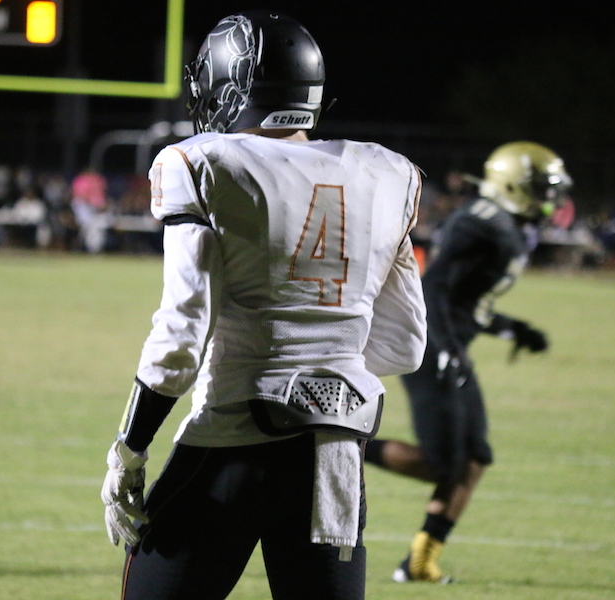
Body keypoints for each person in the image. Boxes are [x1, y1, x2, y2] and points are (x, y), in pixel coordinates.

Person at [100, 11, 428, 600]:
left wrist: (130, 449)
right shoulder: (387, 173)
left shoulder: (203, 163)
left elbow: (182, 336)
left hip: (232, 439)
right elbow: (405, 346)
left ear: (231, 86)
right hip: (334, 453)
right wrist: (323, 361)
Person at [364, 141, 572, 584]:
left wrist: (512, 329)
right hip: (433, 348)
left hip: (450, 346)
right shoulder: (481, 222)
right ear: (514, 186)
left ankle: (420, 562)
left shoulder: (506, 225)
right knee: (442, 464)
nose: (551, 200)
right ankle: (342, 445)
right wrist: (445, 350)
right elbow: (435, 290)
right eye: (543, 189)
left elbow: (466, 306)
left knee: (474, 459)